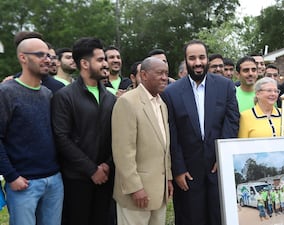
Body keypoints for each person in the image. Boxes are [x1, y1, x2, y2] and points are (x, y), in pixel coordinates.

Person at [161, 39, 239, 225]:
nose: (198, 62)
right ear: (186, 60)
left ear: (207, 59)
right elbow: (171, 132)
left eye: (202, 57)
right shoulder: (171, 92)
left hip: (217, 166)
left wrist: (223, 156)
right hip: (188, 171)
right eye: (192, 58)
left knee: (219, 217)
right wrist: (178, 169)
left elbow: (232, 122)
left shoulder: (225, 86)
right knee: (190, 218)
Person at [51, 37, 116, 225]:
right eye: (100, 59)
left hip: (106, 178)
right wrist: (91, 169)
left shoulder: (110, 98)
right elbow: (61, 138)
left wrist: (107, 165)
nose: (106, 64)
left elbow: (117, 137)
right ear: (84, 64)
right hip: (77, 180)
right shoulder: (64, 97)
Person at [0, 36, 63, 225]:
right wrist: (12, 176)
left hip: (54, 180)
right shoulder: (6, 92)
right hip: (23, 184)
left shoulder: (48, 94)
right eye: (39, 54)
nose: (47, 59)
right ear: (23, 58)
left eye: (48, 55)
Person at [112, 57, 173, 225]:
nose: (164, 77)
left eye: (166, 73)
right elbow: (123, 151)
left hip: (158, 191)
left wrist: (168, 177)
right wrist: (135, 188)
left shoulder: (162, 104)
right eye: (159, 73)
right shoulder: (127, 102)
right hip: (137, 194)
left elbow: (163, 145)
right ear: (144, 75)